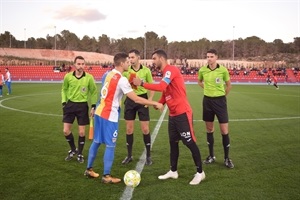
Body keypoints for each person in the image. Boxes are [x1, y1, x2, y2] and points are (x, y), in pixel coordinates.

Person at [84, 52, 163, 184]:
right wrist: (155, 103)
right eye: (127, 62)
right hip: (109, 115)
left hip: (99, 112)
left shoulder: (107, 74)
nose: (129, 63)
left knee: (96, 142)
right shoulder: (122, 79)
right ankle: (106, 176)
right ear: (121, 63)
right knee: (110, 145)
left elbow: (105, 91)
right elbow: (136, 99)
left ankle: (89, 169)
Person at [133, 49, 205, 185]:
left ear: (161, 58)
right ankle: (173, 171)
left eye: (154, 59)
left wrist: (142, 83)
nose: (152, 62)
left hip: (183, 113)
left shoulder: (170, 70)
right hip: (173, 115)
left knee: (189, 143)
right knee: (173, 143)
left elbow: (161, 87)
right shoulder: (165, 73)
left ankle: (200, 172)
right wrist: (159, 103)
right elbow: (166, 92)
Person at [197, 49, 234, 169]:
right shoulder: (203, 70)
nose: (209, 58)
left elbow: (229, 85)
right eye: (207, 56)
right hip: (207, 101)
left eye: (211, 56)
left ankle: (227, 158)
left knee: (224, 130)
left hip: (220, 102)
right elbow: (199, 81)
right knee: (209, 129)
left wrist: (222, 96)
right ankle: (211, 156)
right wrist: (207, 88)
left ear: (216, 57)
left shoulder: (223, 70)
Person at [121, 49, 155, 166]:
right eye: (129, 58)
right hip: (130, 100)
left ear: (138, 57)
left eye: (132, 57)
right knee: (129, 129)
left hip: (142, 99)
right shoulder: (126, 71)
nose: (130, 59)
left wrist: (149, 100)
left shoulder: (146, 71)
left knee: (145, 129)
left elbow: (151, 86)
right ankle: (129, 155)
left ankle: (148, 156)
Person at [61, 56, 98, 163]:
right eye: (78, 64)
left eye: (82, 64)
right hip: (70, 105)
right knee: (66, 131)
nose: (80, 66)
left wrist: (93, 106)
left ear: (84, 65)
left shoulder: (89, 77)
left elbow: (94, 92)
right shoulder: (68, 77)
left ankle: (80, 154)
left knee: (82, 133)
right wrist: (64, 103)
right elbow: (64, 89)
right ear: (74, 65)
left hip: (82, 106)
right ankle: (73, 149)